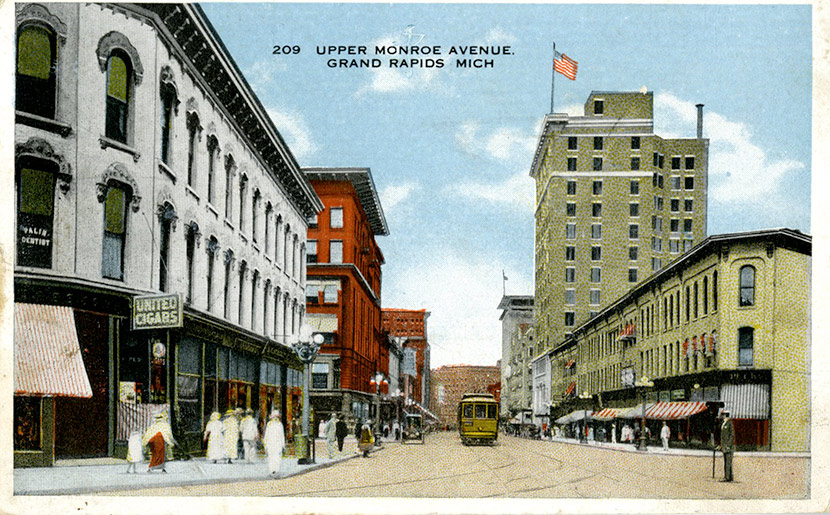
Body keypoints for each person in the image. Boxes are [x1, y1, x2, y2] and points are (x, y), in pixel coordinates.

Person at [263, 410, 286, 477]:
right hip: (270, 443)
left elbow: (282, 435)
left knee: (277, 457)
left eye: (276, 417)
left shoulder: (280, 424)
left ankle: (276, 470)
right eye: (274, 417)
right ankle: (272, 470)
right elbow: (266, 435)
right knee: (271, 457)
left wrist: (283, 444)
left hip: (278, 444)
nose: (275, 418)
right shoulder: (269, 424)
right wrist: (265, 444)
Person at [718, 409, 735, 482]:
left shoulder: (729, 423)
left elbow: (732, 435)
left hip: (728, 446)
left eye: (722, 415)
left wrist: (728, 444)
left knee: (728, 462)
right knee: (726, 461)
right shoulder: (723, 423)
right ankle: (729, 476)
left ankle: (727, 477)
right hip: (724, 446)